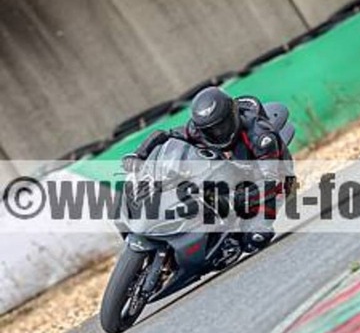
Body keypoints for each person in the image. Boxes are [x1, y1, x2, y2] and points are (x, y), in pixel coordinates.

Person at [123, 86, 294, 252]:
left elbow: (272, 182)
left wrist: (237, 198)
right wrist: (140, 154)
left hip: (270, 177)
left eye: (220, 127)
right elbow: (167, 135)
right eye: (209, 130)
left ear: (232, 116)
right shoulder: (198, 129)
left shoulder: (260, 137)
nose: (216, 133)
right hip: (229, 169)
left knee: (254, 238)